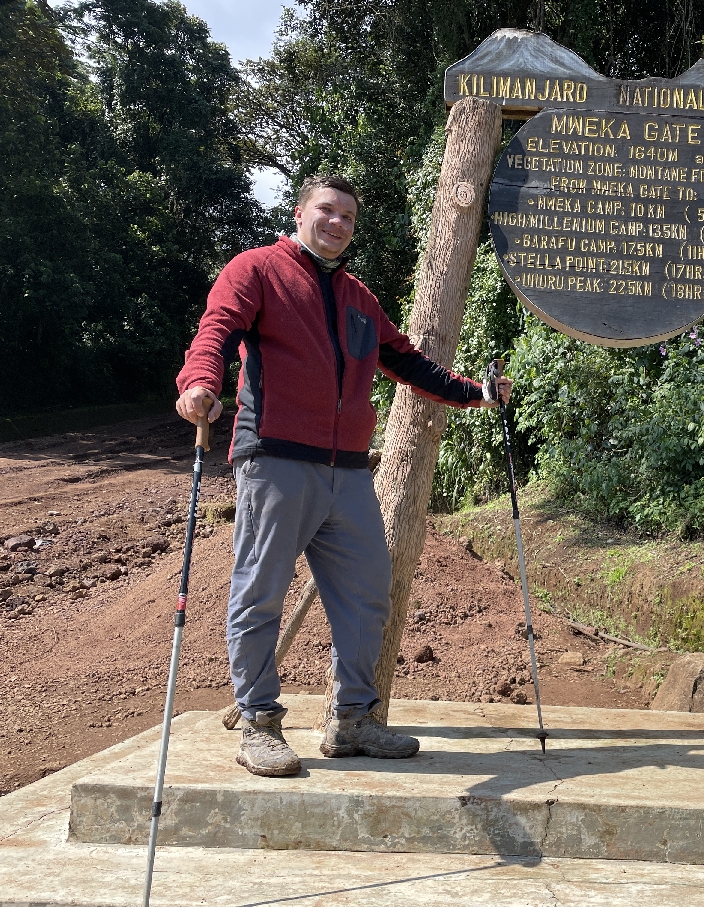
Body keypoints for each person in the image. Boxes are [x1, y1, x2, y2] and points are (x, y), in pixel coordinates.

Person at [175, 174, 511, 777]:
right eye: (327, 211)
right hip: (274, 460)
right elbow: (216, 330)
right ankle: (258, 724)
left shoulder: (359, 298)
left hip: (349, 472)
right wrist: (199, 382)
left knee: (367, 596)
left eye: (348, 217)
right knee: (260, 594)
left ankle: (353, 720)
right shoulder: (256, 270)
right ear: (299, 213)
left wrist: (477, 392)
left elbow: (406, 361)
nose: (337, 223)